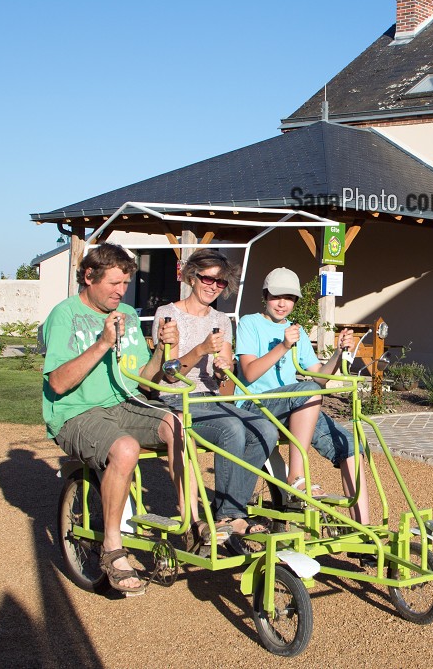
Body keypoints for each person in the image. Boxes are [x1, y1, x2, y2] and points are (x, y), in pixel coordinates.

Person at [42, 243, 183, 597]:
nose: (121, 292)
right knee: (124, 448)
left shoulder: (129, 317)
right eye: (114, 284)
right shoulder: (65, 315)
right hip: (75, 412)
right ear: (89, 277)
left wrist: (162, 351)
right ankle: (112, 548)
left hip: (123, 403)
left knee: (177, 425)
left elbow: (141, 380)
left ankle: (192, 523)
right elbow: (58, 383)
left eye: (125, 284)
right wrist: (103, 343)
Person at [140, 249, 278, 545]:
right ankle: (228, 515)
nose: (213, 286)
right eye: (208, 279)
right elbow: (168, 373)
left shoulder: (221, 320)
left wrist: (223, 370)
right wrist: (202, 349)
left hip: (209, 399)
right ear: (192, 276)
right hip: (177, 398)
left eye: (220, 283)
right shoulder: (168, 315)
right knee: (231, 429)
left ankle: (231, 508)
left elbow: (224, 381)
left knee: (265, 428)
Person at [236, 267, 371, 524]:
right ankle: (296, 477)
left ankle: (363, 528)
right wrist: (283, 346)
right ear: (265, 296)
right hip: (255, 407)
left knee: (350, 445)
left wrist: (339, 353)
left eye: (289, 298)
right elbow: (249, 373)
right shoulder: (250, 323)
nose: (282, 303)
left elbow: (319, 378)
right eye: (276, 296)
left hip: (294, 406)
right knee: (306, 391)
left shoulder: (295, 330)